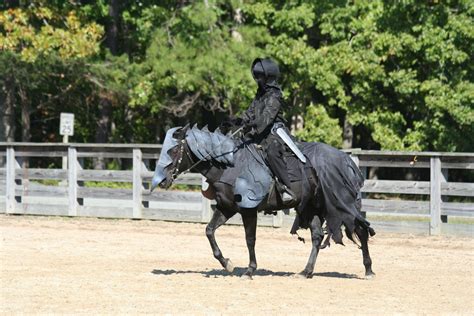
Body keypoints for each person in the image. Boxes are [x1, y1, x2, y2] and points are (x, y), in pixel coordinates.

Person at [239, 58, 296, 203]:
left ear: (268, 78)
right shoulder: (259, 95)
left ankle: (286, 188)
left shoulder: (275, 95)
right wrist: (236, 121)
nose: (257, 80)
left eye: (260, 77)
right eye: (256, 76)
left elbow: (265, 120)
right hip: (260, 132)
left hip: (275, 134)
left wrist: (250, 125)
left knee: (271, 152)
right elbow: (249, 113)